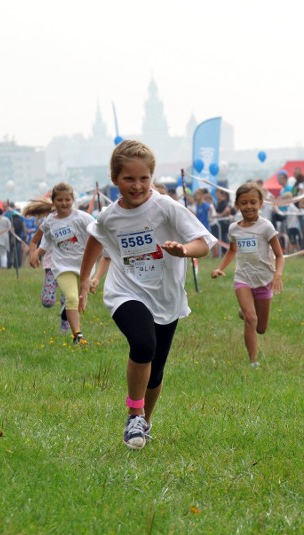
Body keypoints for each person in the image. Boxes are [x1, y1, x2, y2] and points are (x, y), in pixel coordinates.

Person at [79, 140, 217, 450]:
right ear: (115, 179)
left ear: (151, 177)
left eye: (144, 178)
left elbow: (203, 243)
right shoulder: (109, 216)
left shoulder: (166, 207)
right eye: (129, 178)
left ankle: (144, 422)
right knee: (143, 344)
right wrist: (85, 281)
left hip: (165, 296)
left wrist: (184, 250)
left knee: (156, 368)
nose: (137, 185)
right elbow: (95, 241)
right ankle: (134, 415)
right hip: (125, 291)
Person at [210, 182, 284, 367]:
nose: (248, 206)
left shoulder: (266, 227)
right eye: (244, 203)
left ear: (261, 204)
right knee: (251, 318)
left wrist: (277, 275)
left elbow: (280, 255)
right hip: (243, 278)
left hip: (264, 279)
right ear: (237, 205)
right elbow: (232, 250)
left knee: (261, 328)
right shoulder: (234, 228)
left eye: (253, 202)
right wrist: (221, 268)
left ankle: (246, 314)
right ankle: (253, 361)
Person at [25, 183, 97, 345]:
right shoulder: (50, 221)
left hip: (84, 266)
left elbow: (98, 235)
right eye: (60, 200)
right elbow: (47, 241)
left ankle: (68, 313)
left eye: (68, 199)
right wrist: (36, 253)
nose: (64, 203)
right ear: (53, 202)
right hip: (62, 266)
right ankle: (77, 335)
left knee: (77, 299)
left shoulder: (83, 218)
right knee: (71, 297)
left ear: (73, 200)